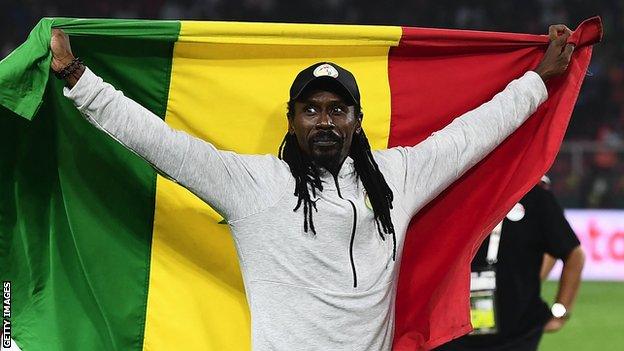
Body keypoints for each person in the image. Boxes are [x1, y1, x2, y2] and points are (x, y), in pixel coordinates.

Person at [49, 24, 574, 350]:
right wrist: (77, 77)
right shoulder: (252, 185)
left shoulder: (397, 178)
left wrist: (539, 81)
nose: (324, 120)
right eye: (312, 109)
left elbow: (469, 137)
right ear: (292, 119)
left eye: (337, 109)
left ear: (357, 119)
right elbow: (162, 145)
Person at [435, 180, 585, 351]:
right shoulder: (450, 189)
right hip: (447, 334)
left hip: (516, 336)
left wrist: (560, 313)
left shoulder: (534, 195)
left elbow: (572, 253)